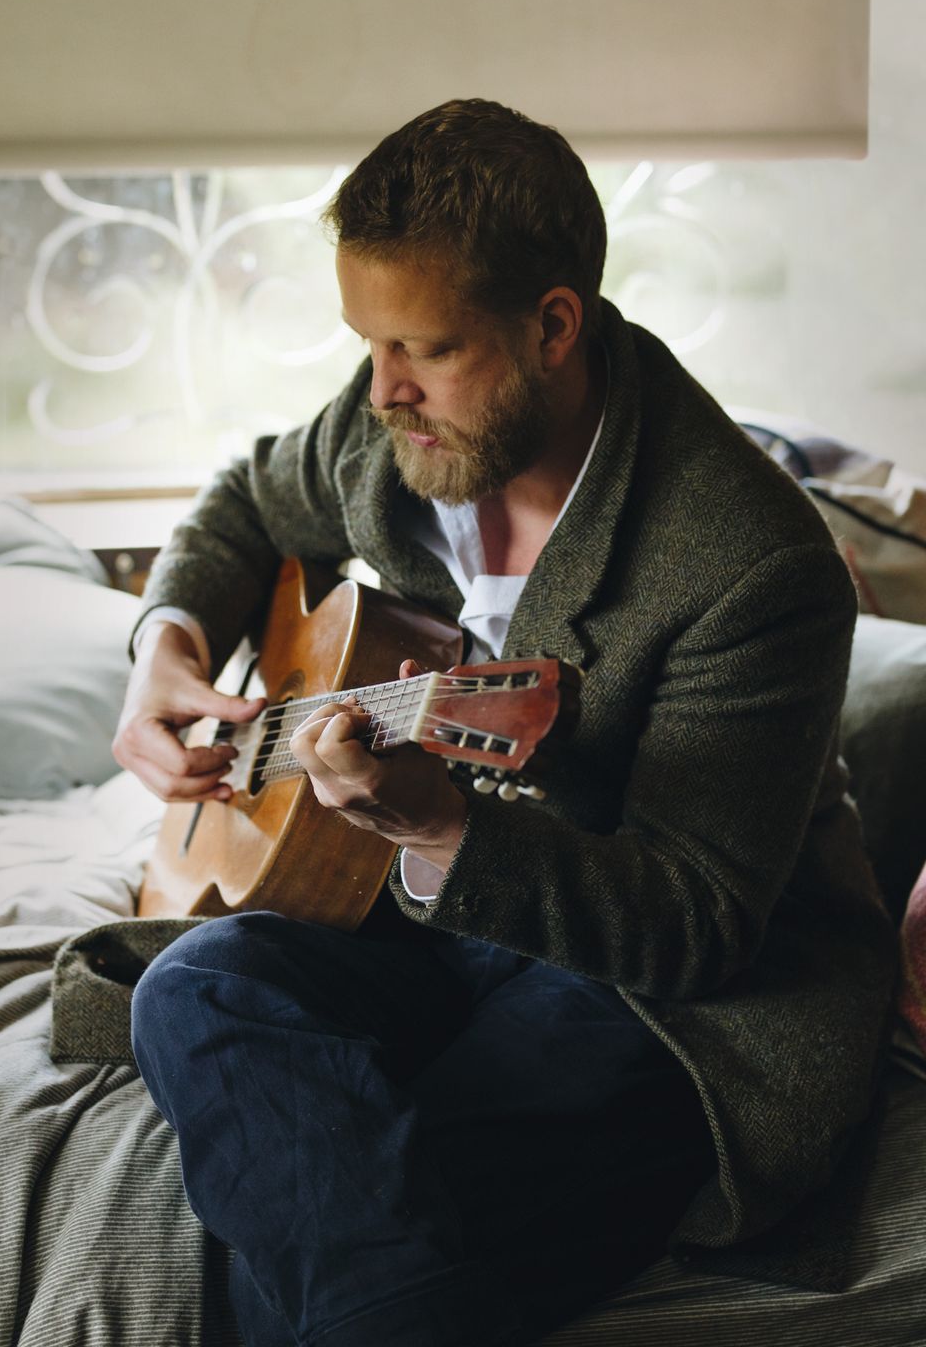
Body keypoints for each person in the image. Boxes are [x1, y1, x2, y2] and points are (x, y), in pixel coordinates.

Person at [115, 100, 897, 1347]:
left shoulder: (750, 562)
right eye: (367, 344)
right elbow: (244, 499)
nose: (381, 389)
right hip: (411, 913)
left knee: (365, 1192)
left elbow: (694, 926)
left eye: (421, 348)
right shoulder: (399, 433)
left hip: (656, 986)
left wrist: (441, 831)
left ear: (551, 326)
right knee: (193, 992)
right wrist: (164, 646)